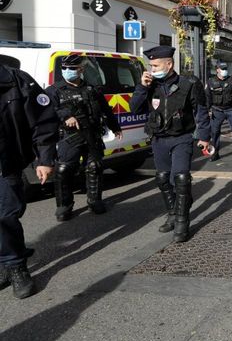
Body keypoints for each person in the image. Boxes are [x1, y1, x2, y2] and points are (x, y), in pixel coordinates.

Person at [130, 46, 211, 243]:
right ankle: (173, 213)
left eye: (155, 65)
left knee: (181, 179)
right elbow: (134, 109)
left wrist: (204, 136)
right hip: (159, 139)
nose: (152, 68)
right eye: (151, 65)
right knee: (163, 179)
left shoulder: (189, 84)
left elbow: (201, 111)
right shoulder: (149, 85)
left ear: (169, 64)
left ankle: (183, 222)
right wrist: (142, 87)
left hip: (181, 138)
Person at [0, 63, 58, 298]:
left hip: (5, 163)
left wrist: (45, 159)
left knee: (5, 215)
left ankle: (16, 266)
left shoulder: (16, 80)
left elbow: (43, 121)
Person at [45, 55, 123, 221]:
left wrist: (115, 127)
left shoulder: (92, 89)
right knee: (64, 170)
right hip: (69, 137)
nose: (67, 71)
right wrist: (66, 116)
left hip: (92, 134)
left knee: (95, 167)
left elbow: (106, 110)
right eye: (64, 68)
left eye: (72, 69)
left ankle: (94, 201)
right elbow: (47, 111)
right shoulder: (54, 90)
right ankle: (64, 205)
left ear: (81, 70)